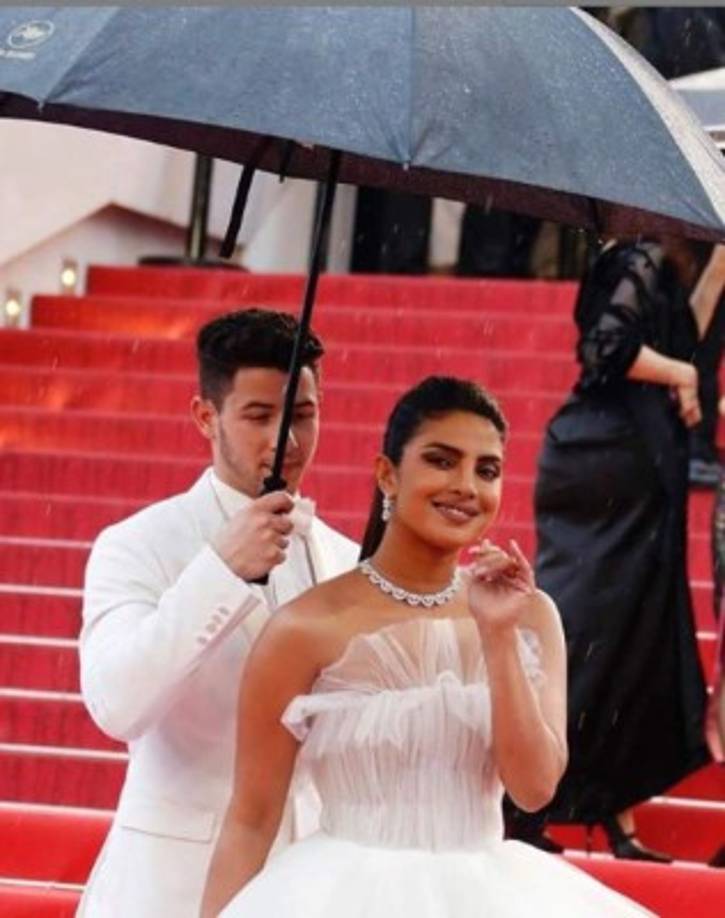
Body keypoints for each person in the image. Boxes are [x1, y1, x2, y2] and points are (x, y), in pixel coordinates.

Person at [201, 375, 652, 917]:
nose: (466, 486)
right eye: (441, 461)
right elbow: (251, 820)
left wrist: (498, 636)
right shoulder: (304, 628)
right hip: (342, 895)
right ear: (387, 474)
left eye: (487, 470)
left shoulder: (530, 616)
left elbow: (533, 790)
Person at [76, 308, 359, 917]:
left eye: (303, 414)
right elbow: (116, 704)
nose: (286, 440)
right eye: (259, 416)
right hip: (173, 886)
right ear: (206, 416)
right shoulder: (137, 544)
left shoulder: (348, 558)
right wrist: (219, 572)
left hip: (310, 885)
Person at [507, 240, 725, 860]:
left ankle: (614, 817)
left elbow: (690, 351)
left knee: (632, 640)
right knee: (585, 635)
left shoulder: (681, 271)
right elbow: (607, 346)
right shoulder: (642, 258)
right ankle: (521, 802)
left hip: (640, 468)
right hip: (606, 466)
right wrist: (681, 375)